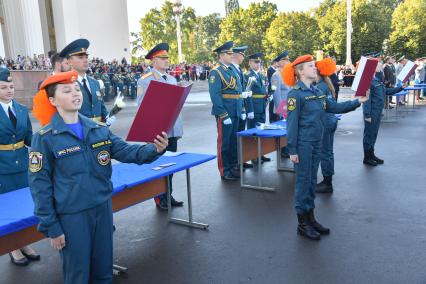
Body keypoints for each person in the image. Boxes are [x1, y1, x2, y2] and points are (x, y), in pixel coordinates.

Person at [29, 70, 168, 283]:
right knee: (78, 275)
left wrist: (155, 149)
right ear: (52, 100)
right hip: (72, 215)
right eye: (67, 91)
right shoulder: (45, 138)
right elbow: (40, 185)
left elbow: (127, 152)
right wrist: (52, 226)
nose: (75, 94)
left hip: (102, 208)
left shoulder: (98, 129)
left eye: (76, 89)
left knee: (103, 272)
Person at [283, 55, 368, 240]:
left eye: (314, 66)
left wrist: (357, 102)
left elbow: (334, 107)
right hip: (303, 145)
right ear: (300, 71)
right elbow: (291, 124)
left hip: (316, 142)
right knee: (303, 183)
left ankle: (311, 218)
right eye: (311, 66)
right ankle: (302, 223)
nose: (316, 68)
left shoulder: (317, 91)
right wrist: (292, 150)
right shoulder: (295, 94)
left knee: (312, 181)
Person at [136, 43, 184, 210]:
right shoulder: (145, 80)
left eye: (166, 58)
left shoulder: (171, 78)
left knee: (170, 164)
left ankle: (168, 194)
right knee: (158, 164)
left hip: (172, 128)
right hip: (157, 130)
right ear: (153, 60)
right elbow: (141, 105)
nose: (166, 60)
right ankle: (159, 198)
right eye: (162, 58)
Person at [0, 67, 40, 266]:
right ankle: (12, 248)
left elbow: (28, 138)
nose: (9, 90)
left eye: (11, 86)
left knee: (24, 205)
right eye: (3, 87)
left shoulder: (22, 110)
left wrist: (45, 143)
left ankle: (25, 243)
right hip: (2, 168)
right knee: (7, 209)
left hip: (23, 164)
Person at [208, 41, 243, 181]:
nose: (231, 55)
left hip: (235, 110)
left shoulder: (231, 70)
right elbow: (215, 96)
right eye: (229, 53)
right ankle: (224, 170)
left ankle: (233, 166)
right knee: (225, 142)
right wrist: (223, 114)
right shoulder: (216, 72)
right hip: (226, 112)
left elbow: (238, 91)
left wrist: (242, 108)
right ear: (222, 55)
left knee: (233, 141)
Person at [59, 38, 114, 126]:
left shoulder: (95, 82)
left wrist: (107, 118)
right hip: (78, 131)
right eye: (80, 57)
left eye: (86, 57)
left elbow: (101, 105)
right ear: (69, 61)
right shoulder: (65, 84)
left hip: (97, 131)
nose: (85, 60)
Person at [363, 55, 403, 166]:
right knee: (369, 135)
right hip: (371, 113)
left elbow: (387, 91)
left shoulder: (376, 80)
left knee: (374, 134)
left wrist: (401, 87)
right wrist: (367, 115)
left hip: (377, 113)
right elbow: (366, 100)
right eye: (378, 63)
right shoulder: (367, 80)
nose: (380, 64)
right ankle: (367, 157)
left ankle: (371, 154)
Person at [314, 58, 339, 194]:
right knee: (328, 152)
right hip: (330, 121)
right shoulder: (326, 84)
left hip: (324, 123)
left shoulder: (319, 87)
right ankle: (327, 181)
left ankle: (327, 184)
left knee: (325, 153)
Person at [230, 45, 254, 169]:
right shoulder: (231, 70)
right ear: (236, 55)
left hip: (241, 108)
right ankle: (234, 164)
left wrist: (246, 109)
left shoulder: (238, 70)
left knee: (240, 136)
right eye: (242, 54)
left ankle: (240, 160)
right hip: (233, 108)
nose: (243, 57)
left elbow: (243, 89)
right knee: (232, 139)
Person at [246, 53, 271, 162]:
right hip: (254, 107)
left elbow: (263, 90)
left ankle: (261, 153)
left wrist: (267, 96)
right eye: (256, 62)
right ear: (250, 63)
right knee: (253, 132)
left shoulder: (260, 76)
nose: (258, 64)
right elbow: (247, 94)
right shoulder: (248, 76)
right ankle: (253, 156)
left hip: (262, 106)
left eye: (259, 62)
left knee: (261, 130)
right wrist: (249, 110)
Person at [270, 51, 291, 158]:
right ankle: (283, 150)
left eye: (288, 59)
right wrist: (281, 109)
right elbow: (276, 93)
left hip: (289, 105)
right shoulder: (276, 75)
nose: (288, 61)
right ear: (279, 62)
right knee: (282, 128)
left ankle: (286, 147)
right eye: (285, 60)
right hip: (282, 106)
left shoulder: (287, 74)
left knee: (288, 128)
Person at [267, 58, 279, 122]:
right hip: (272, 90)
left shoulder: (274, 70)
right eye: (277, 63)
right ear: (274, 63)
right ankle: (271, 120)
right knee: (272, 107)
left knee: (276, 106)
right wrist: (272, 93)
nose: (278, 64)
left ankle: (275, 119)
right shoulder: (270, 70)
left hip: (275, 90)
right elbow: (272, 82)